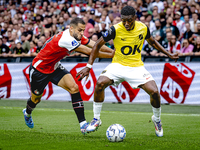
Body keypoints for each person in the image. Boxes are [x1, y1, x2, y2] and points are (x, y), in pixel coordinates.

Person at [76, 6, 179, 137]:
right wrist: (89, 66)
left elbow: (152, 42)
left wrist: (168, 54)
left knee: (154, 92)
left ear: (134, 18)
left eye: (129, 20)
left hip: (136, 67)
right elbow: (97, 45)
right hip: (118, 65)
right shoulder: (115, 29)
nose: (126, 24)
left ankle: (157, 120)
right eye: (124, 20)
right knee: (100, 83)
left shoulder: (143, 28)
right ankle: (96, 119)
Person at [22, 17, 114, 135]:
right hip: (39, 70)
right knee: (36, 99)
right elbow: (89, 52)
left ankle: (83, 125)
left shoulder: (75, 35)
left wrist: (112, 51)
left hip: (54, 67)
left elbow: (95, 44)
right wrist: (113, 55)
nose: (82, 33)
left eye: (83, 30)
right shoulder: (66, 39)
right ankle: (27, 113)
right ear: (71, 29)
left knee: (74, 88)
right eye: (80, 30)